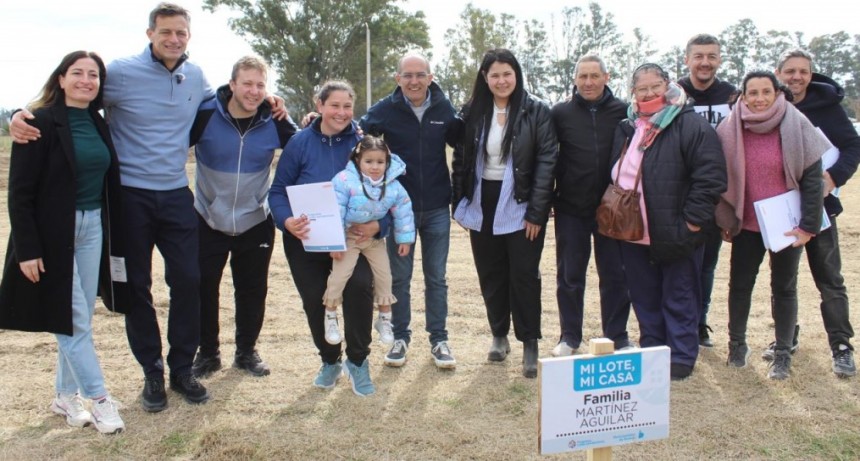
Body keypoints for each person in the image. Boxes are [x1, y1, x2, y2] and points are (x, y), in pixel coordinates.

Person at [0, 51, 127, 434]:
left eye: (93, 75)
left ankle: (63, 395)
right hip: (52, 233)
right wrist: (28, 249)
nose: (86, 80)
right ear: (61, 79)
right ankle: (101, 399)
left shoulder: (98, 122)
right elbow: (19, 193)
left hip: (92, 228)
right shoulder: (36, 122)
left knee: (77, 317)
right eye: (77, 73)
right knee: (72, 318)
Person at [608, 63, 726, 381]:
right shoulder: (629, 126)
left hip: (676, 231)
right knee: (644, 296)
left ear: (667, 85)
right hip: (633, 231)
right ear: (633, 92)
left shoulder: (690, 125)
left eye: (654, 86)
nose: (648, 94)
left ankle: (681, 358)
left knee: (680, 295)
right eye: (641, 88)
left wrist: (691, 224)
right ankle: (653, 351)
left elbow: (710, 179)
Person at [269, 80, 382, 397]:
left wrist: (375, 225)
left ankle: (358, 362)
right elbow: (278, 192)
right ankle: (330, 360)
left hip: (352, 241)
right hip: (305, 241)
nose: (341, 112)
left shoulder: (363, 143)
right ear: (319, 105)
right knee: (316, 300)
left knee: (359, 288)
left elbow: (382, 191)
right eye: (334, 105)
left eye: (347, 106)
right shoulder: (299, 143)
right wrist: (287, 221)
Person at [188, 55, 298, 379]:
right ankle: (208, 354)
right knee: (203, 289)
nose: (253, 91)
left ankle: (246, 352)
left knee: (252, 290)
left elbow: (305, 147)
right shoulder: (206, 114)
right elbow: (167, 141)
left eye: (260, 85)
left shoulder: (275, 120)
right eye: (247, 83)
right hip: (207, 218)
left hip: (255, 219)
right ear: (232, 84)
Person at [451, 48, 557, 379]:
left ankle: (529, 341)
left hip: (522, 199)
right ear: (485, 78)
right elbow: (461, 158)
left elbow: (547, 161)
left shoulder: (535, 110)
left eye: (507, 74)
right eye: (494, 75)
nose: (501, 80)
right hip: (484, 198)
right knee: (491, 272)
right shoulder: (472, 111)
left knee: (524, 274)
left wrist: (537, 213)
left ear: (517, 75)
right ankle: (499, 334)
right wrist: (461, 202)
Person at [716, 71, 828, 380]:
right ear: (743, 96)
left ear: (777, 93)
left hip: (786, 225)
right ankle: (737, 346)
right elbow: (720, 177)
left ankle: (782, 354)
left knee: (784, 287)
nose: (759, 98)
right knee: (739, 286)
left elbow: (813, 181)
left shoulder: (797, 124)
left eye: (766, 91)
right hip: (747, 225)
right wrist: (725, 218)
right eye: (753, 92)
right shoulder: (730, 128)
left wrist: (807, 226)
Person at [359, 53, 459, 369]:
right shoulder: (385, 111)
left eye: (420, 75)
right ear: (398, 78)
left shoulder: (445, 109)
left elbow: (467, 142)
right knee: (399, 278)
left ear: (430, 77)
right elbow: (356, 131)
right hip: (399, 210)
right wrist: (314, 118)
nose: (414, 81)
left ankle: (439, 340)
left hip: (437, 209)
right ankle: (400, 338)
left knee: (436, 278)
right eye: (407, 75)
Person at [775, 49, 858, 378]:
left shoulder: (828, 107)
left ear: (811, 74)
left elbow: (854, 146)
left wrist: (834, 177)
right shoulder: (770, 104)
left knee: (829, 280)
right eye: (790, 71)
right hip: (781, 209)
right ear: (778, 72)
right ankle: (786, 338)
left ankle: (841, 345)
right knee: (784, 280)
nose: (796, 77)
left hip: (821, 208)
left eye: (803, 71)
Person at [550, 54, 632, 357]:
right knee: (570, 275)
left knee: (615, 275)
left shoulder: (624, 111)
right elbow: (548, 156)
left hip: (612, 208)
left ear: (606, 77)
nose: (588, 82)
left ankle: (618, 335)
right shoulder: (560, 113)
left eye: (594, 76)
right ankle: (570, 336)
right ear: (575, 80)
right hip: (571, 207)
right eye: (582, 76)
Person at [677, 33, 740, 348]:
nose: (705, 62)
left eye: (711, 56)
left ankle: (699, 323)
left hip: (716, 196)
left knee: (706, 265)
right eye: (698, 56)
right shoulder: (673, 94)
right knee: (675, 262)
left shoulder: (733, 96)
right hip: (676, 195)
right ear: (686, 59)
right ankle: (678, 322)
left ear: (719, 59)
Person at [324, 136, 415, 347]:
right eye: (369, 161)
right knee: (340, 275)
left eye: (380, 162)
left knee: (385, 277)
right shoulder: (343, 181)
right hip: (349, 238)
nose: (375, 167)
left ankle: (384, 319)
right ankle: (330, 315)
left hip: (374, 241)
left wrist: (405, 239)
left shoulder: (393, 186)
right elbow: (335, 211)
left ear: (387, 163)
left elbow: (403, 211)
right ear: (358, 160)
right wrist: (335, 243)